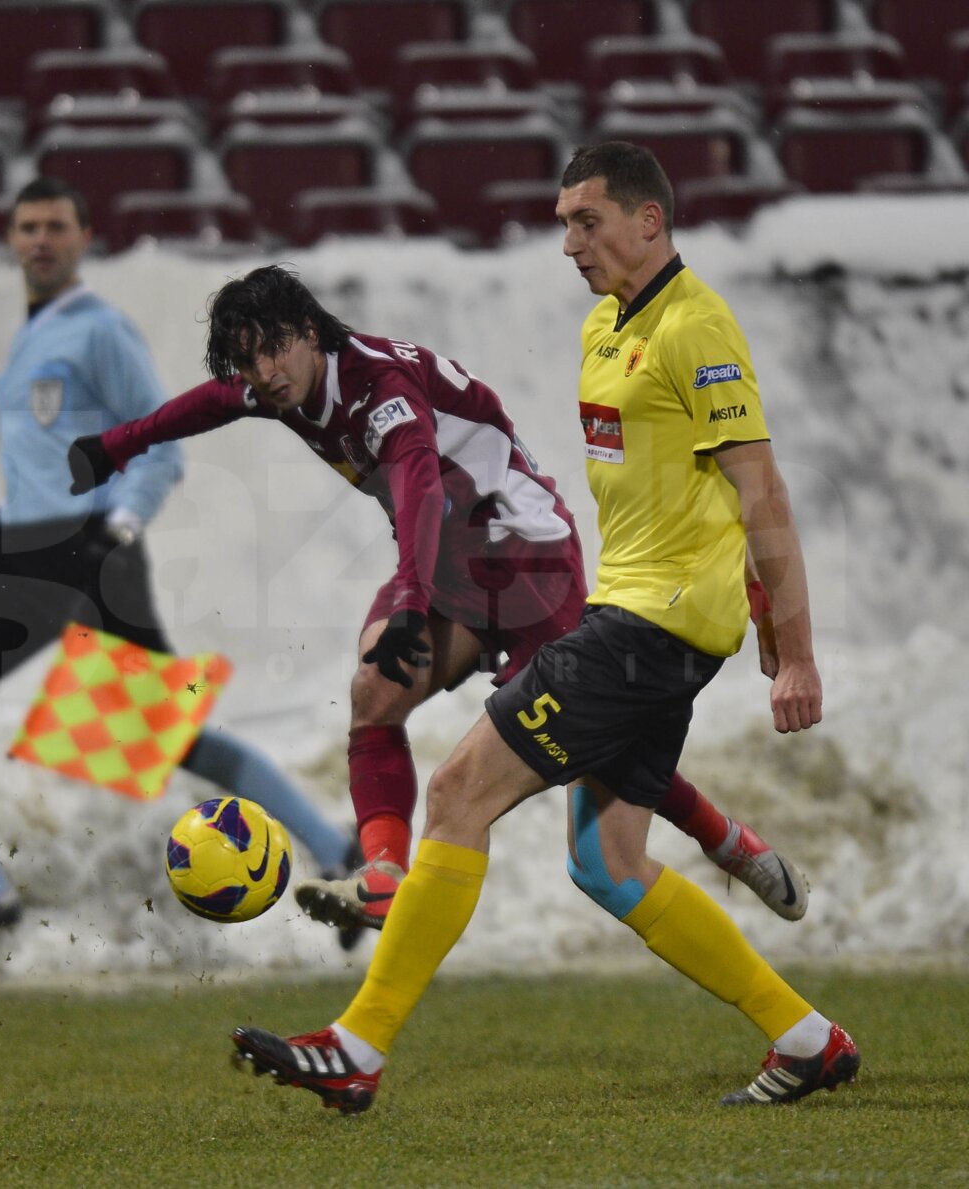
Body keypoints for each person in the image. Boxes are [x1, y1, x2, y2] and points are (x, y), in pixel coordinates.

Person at [227, 143, 860, 1111]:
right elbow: (692, 493)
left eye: (586, 221)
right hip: (638, 613)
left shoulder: (696, 328)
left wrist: (796, 651)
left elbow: (760, 489)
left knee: (457, 791)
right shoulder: (606, 327)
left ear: (649, 220)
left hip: (652, 627)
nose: (569, 243)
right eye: (564, 223)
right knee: (609, 865)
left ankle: (356, 1047)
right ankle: (808, 1038)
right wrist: (752, 607)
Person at [67, 264, 808, 944]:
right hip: (445, 567)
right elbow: (210, 404)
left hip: (526, 560)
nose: (263, 372)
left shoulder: (379, 387)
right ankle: (383, 874)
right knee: (374, 692)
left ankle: (726, 840)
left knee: (596, 753)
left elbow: (420, 485)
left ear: (310, 331)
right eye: (247, 359)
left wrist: (412, 603)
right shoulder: (281, 386)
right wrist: (116, 445)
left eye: (274, 349)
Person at [0, 178, 355, 951]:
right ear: (11, 239)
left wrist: (118, 528)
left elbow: (158, 444)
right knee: (167, 733)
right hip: (44, 551)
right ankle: (335, 845)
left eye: (56, 226)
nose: (41, 239)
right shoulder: (36, 334)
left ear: (85, 237)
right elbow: (54, 465)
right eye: (28, 226)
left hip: (79, 557)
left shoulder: (100, 330)